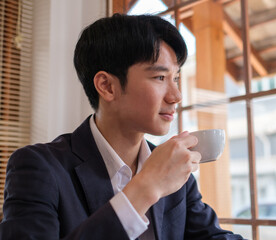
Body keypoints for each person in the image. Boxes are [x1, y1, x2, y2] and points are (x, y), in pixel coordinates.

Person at [0, 14, 243, 240]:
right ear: (107, 86)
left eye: (176, 78)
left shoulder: (173, 168)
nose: (177, 95)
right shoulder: (38, 168)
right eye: (160, 78)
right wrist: (146, 187)